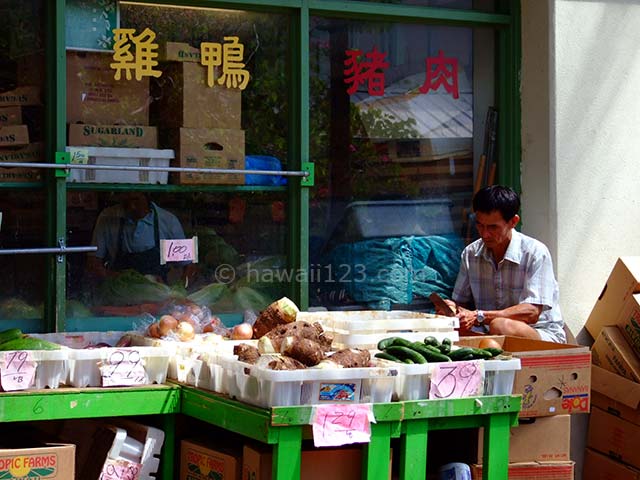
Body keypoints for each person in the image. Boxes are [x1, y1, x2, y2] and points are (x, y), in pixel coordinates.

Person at [437, 185, 566, 343]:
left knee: (500, 325)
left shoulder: (535, 253)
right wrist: (452, 310)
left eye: (492, 227)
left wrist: (479, 316)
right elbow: (460, 303)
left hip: (539, 334)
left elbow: (531, 313)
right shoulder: (471, 253)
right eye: (480, 225)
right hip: (487, 333)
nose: (485, 234)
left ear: (513, 221)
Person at [86, 192, 190, 283]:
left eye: (136, 200)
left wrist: (179, 291)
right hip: (119, 294)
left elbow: (189, 265)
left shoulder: (169, 221)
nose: (132, 207)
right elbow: (93, 263)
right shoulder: (107, 218)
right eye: (126, 201)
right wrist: (118, 278)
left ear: (148, 197)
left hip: (158, 296)